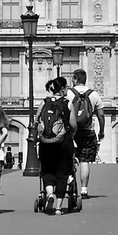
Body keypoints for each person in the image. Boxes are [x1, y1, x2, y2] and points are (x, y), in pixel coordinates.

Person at [35, 77, 74, 214]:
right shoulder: (67, 104)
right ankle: (58, 208)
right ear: (62, 88)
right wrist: (70, 133)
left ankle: (50, 193)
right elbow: (73, 124)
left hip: (46, 143)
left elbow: (37, 121)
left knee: (47, 170)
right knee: (62, 173)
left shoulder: (43, 102)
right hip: (63, 143)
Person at [68, 68, 105, 200]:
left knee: (69, 158)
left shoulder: (69, 94)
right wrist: (101, 131)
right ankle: (84, 190)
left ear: (76, 79)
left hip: (71, 132)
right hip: (88, 131)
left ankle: (70, 182)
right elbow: (101, 115)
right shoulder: (94, 94)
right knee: (84, 161)